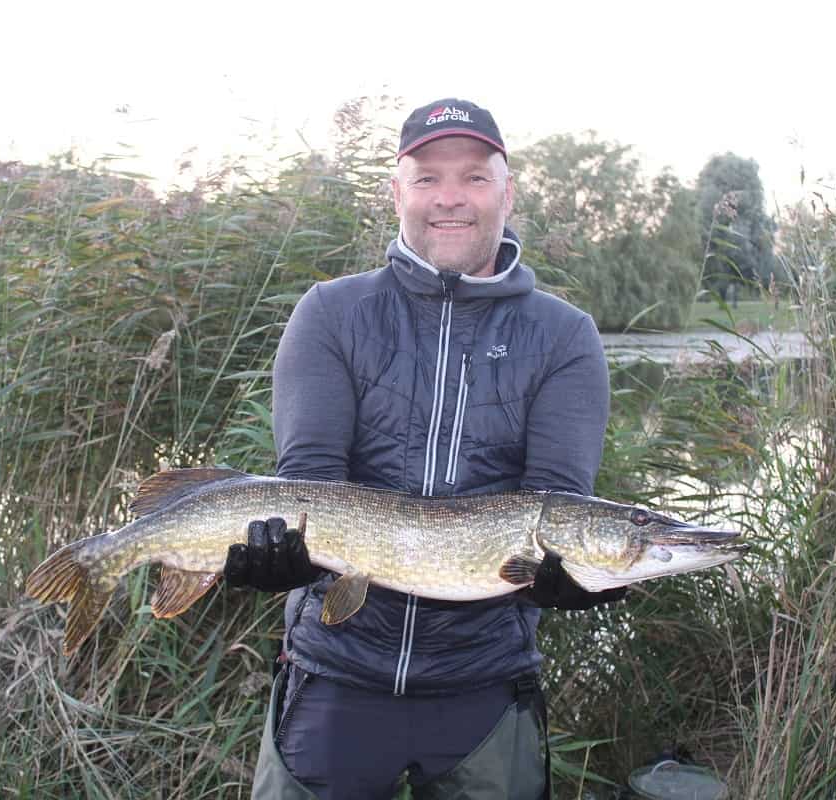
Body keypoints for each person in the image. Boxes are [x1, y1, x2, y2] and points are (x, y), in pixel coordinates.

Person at [224, 98, 622, 800]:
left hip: (484, 688)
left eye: (473, 177)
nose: (449, 199)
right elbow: (309, 478)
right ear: (397, 191)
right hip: (335, 678)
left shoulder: (565, 336)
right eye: (427, 177)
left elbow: (560, 499)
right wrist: (275, 557)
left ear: (507, 191)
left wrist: (580, 577)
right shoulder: (331, 312)